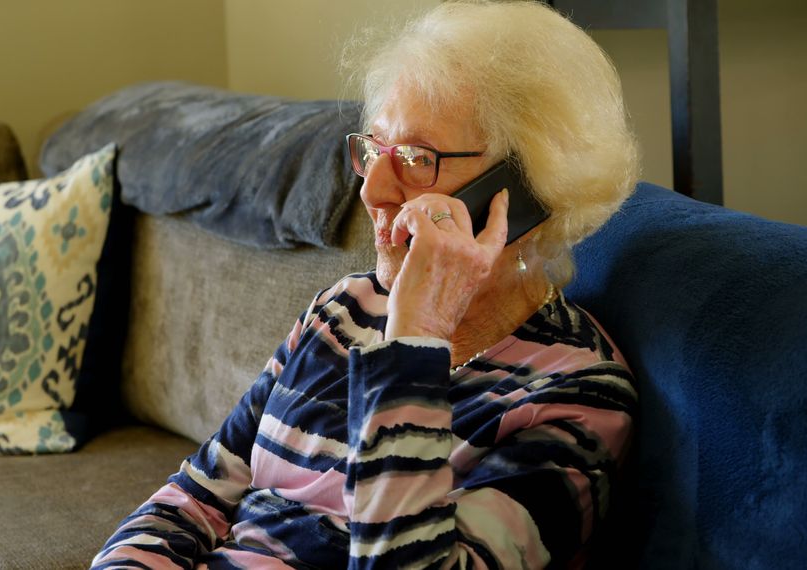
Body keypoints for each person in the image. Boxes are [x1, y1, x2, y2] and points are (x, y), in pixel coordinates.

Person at [92, 1, 638, 568]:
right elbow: (195, 496)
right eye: (375, 150)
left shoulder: (576, 397)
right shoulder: (342, 311)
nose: (373, 191)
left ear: (524, 193)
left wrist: (416, 342)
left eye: (415, 158)